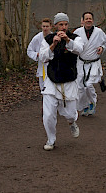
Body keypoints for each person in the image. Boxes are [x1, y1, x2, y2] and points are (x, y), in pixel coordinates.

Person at [39, 13, 84, 151]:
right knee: (48, 115)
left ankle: (72, 122)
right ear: (55, 26)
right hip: (52, 82)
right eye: (60, 25)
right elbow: (42, 57)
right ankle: (51, 140)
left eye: (65, 24)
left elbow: (79, 50)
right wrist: (54, 44)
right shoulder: (48, 39)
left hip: (69, 81)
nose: (63, 27)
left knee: (70, 113)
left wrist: (68, 40)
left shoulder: (76, 38)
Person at [74, 12, 106, 116]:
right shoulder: (78, 32)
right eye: (86, 19)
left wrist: (102, 48)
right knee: (80, 87)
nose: (88, 20)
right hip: (81, 62)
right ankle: (84, 105)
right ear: (83, 21)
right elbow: (72, 44)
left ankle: (92, 103)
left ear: (93, 20)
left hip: (94, 62)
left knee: (88, 85)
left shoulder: (99, 32)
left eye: (90, 19)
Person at [27, 18, 52, 91]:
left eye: (47, 26)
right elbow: (29, 50)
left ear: (50, 27)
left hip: (52, 65)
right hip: (42, 66)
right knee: (43, 87)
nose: (45, 28)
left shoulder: (54, 37)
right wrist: (37, 54)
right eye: (43, 26)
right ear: (41, 27)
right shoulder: (37, 38)